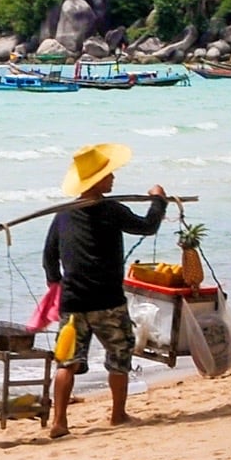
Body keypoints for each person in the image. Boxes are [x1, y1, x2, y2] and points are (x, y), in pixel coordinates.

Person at [43, 143, 167, 439]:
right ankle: (118, 415)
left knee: (67, 362)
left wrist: (56, 284)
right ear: (96, 181)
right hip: (108, 301)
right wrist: (158, 200)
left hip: (73, 302)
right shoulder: (112, 210)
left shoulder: (63, 215)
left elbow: (49, 256)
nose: (113, 179)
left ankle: (59, 422)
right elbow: (148, 227)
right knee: (119, 356)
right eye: (109, 174)